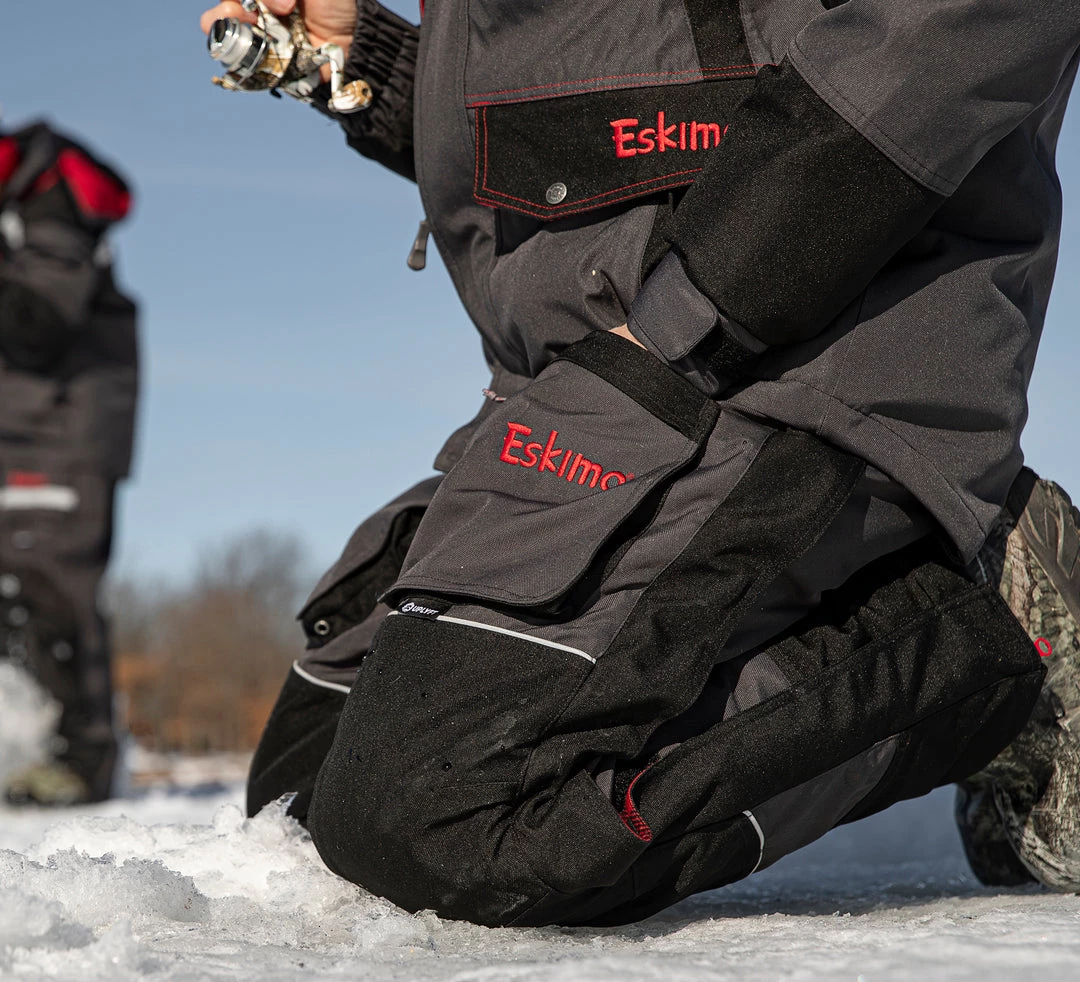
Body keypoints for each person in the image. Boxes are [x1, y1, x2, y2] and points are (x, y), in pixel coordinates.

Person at [201, 0, 1080, 924]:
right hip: (598, 380)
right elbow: (591, 102)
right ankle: (900, 607)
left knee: (438, 826)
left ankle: (991, 647)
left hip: (787, 352)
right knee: (301, 802)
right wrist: (369, 68)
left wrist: (706, 304)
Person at [0, 121, 138, 805]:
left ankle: (79, 763)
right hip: (23, 427)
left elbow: (37, 322)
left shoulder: (51, 194)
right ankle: (26, 750)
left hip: (55, 432)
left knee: (48, 589)